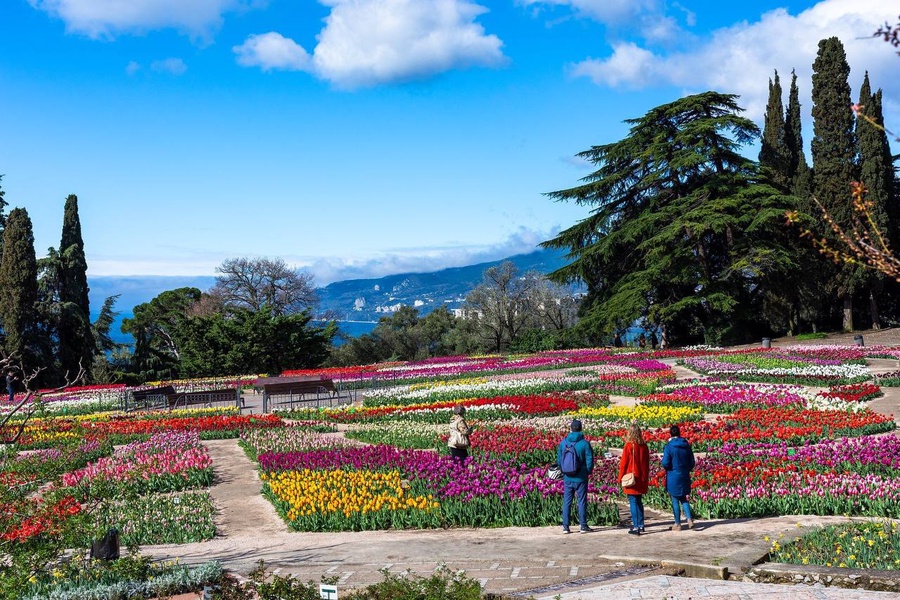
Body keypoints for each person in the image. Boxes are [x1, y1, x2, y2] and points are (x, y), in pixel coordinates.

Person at [557, 419, 594, 534]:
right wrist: (587, 472)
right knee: (582, 501)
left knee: (567, 501)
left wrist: (565, 470)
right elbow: (589, 460)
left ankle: (565, 527)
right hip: (581, 477)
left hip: (568, 477)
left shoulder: (564, 443)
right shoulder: (584, 443)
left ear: (571, 429)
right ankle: (583, 526)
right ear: (581, 429)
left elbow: (559, 460)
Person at [661, 424, 695, 530]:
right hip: (684, 474)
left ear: (670, 434)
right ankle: (689, 519)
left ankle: (678, 524)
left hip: (673, 475)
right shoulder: (686, 445)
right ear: (679, 433)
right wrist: (686, 469)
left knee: (675, 499)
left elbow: (665, 463)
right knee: (684, 498)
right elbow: (692, 461)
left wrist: (669, 468)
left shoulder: (669, 446)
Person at [618, 423, 650, 535]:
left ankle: (636, 526)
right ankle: (641, 525)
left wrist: (620, 478)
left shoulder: (628, 446)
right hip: (641, 477)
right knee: (639, 502)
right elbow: (647, 463)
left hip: (631, 478)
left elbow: (624, 464)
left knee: (633, 502)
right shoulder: (644, 446)